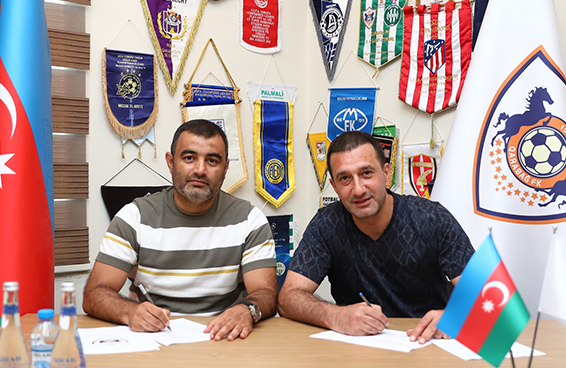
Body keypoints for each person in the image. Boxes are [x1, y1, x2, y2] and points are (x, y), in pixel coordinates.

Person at [83, 119, 277, 341]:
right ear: (170, 162)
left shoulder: (250, 220)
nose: (200, 170)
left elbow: (266, 293)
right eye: (189, 158)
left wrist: (248, 310)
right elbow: (94, 293)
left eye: (212, 161)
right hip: (152, 340)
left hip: (224, 339)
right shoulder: (134, 217)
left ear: (225, 169)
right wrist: (130, 312)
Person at [277, 130, 474, 344]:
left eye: (366, 173)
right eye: (345, 178)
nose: (358, 189)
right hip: (357, 350)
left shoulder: (432, 218)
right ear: (334, 187)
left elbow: (489, 294)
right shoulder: (326, 224)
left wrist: (455, 316)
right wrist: (336, 316)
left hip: (427, 343)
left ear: (386, 174)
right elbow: (288, 298)